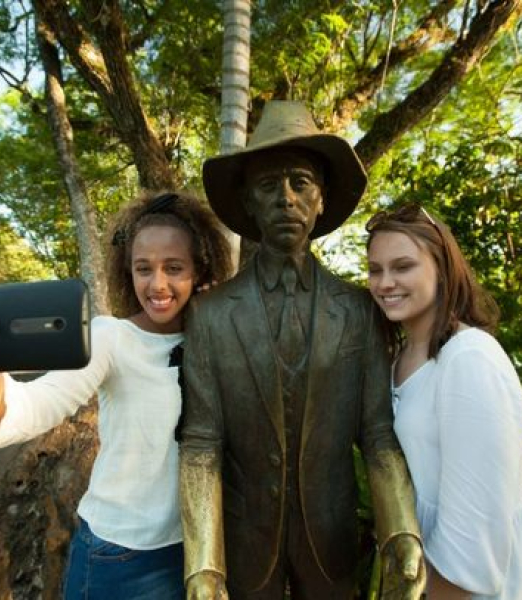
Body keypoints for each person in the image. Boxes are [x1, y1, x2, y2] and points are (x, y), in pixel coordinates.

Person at [0, 190, 233, 600]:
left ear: (199, 270)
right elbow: (40, 405)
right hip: (116, 554)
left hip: (194, 550)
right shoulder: (112, 337)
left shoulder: (218, 342)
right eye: (143, 268)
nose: (157, 283)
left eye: (174, 267)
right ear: (127, 271)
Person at [178, 101, 425, 600]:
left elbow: (377, 433)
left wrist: (400, 531)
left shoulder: (359, 310)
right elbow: (202, 442)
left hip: (333, 539)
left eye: (299, 183)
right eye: (268, 186)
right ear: (247, 201)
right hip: (244, 544)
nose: (285, 198)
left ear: (320, 198)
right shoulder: (211, 314)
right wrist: (204, 565)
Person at [365, 203, 522, 599]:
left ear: (442, 266)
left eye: (402, 267)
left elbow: (474, 539)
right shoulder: (400, 357)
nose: (385, 283)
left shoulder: (469, 358)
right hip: (422, 571)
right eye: (375, 270)